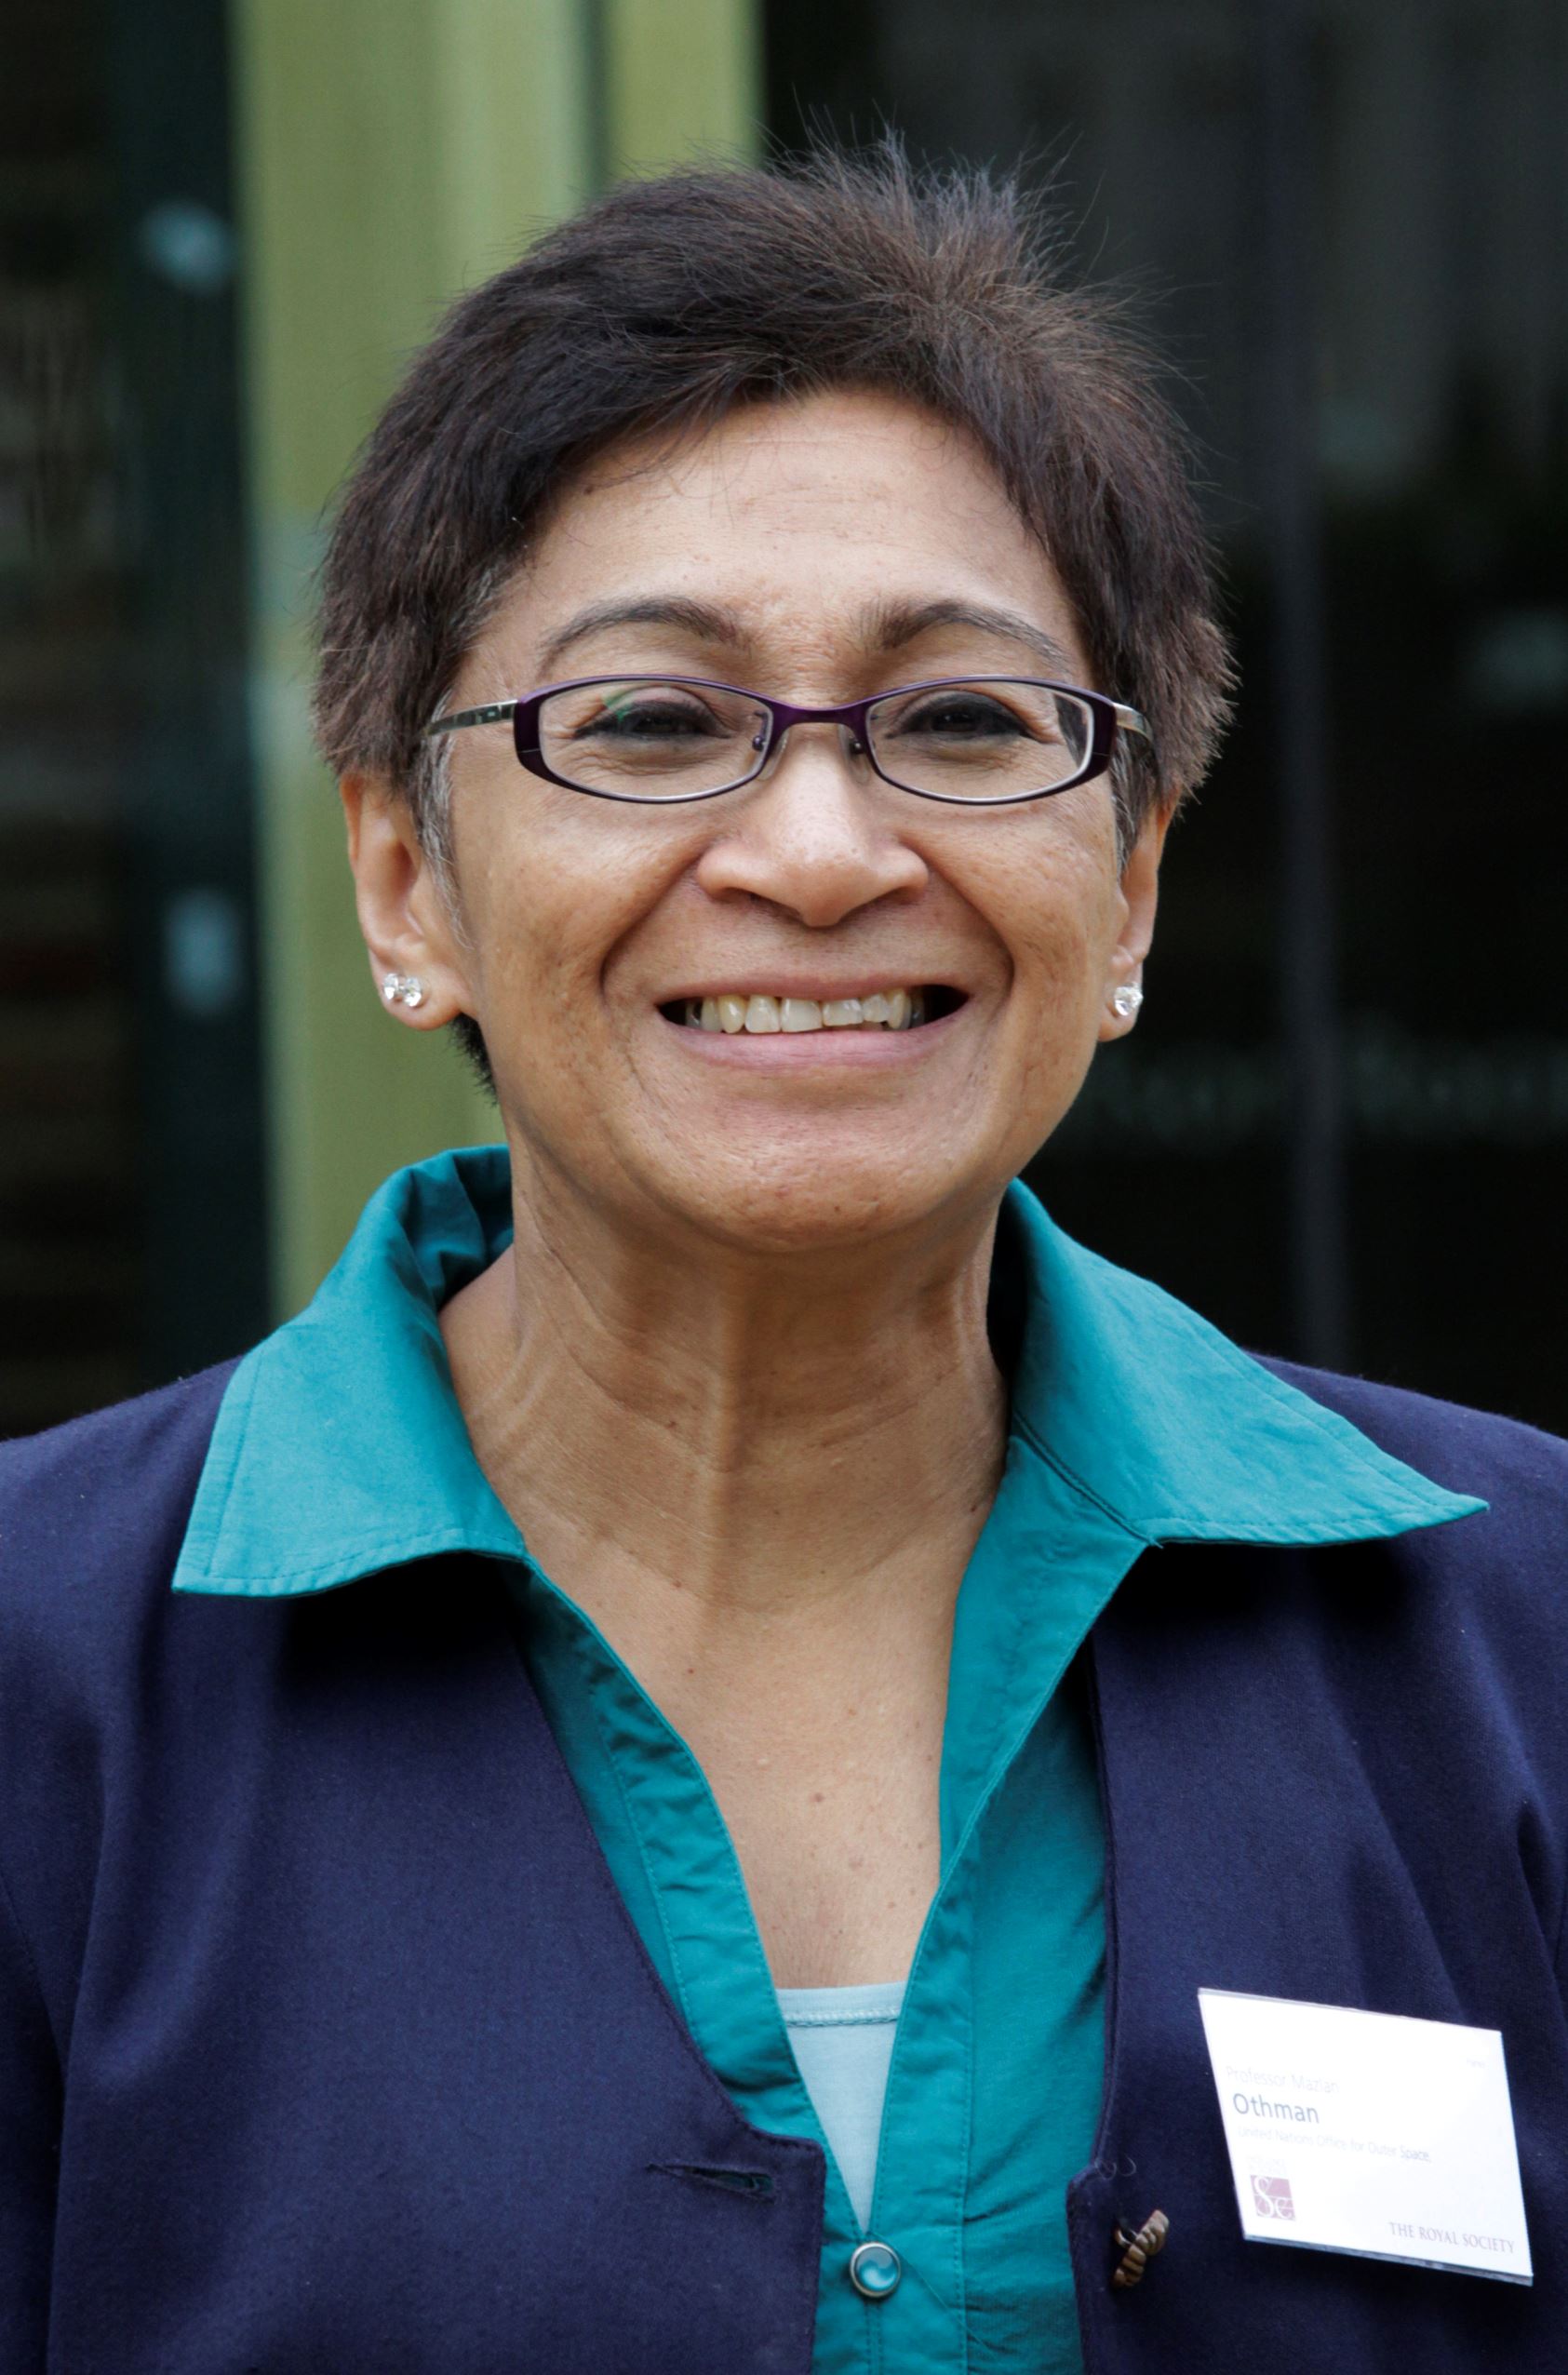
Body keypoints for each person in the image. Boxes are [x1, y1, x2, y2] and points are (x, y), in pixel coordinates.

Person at [2, 149, 1565, 2375]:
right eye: (649, 722)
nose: (821, 854)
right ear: (404, 877)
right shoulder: (44, 1688)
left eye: (963, 721)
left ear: (1131, 879)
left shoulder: (1524, 1644)